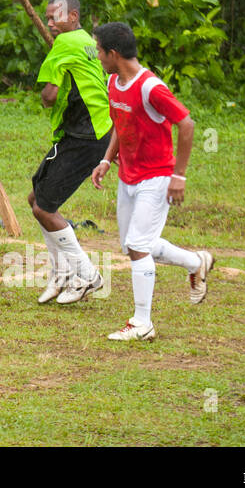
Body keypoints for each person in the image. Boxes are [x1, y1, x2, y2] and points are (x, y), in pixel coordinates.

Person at [90, 22, 213, 341]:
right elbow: (120, 123)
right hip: (127, 176)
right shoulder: (113, 83)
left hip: (157, 178)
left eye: (99, 51)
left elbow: (186, 124)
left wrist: (179, 175)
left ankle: (142, 323)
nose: (98, 56)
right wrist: (106, 159)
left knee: (139, 245)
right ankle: (195, 262)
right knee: (132, 245)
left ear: (113, 53)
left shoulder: (150, 88)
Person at [29, 0, 115, 305]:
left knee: (44, 207)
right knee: (36, 198)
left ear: (74, 17)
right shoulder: (89, 43)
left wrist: (45, 93)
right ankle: (61, 274)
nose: (50, 23)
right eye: (48, 18)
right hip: (92, 132)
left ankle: (88, 275)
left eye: (56, 18)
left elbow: (49, 95)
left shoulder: (65, 44)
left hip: (84, 135)